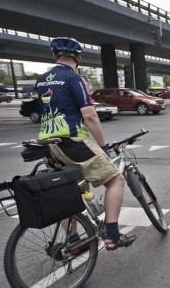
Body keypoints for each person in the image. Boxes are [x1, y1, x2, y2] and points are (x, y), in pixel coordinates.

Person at [35, 37, 135, 250]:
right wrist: (103, 146)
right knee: (115, 180)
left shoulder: (42, 79)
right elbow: (90, 115)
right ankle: (112, 235)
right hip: (73, 140)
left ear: (54, 56)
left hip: (49, 143)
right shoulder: (73, 78)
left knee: (67, 189)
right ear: (78, 57)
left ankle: (73, 239)